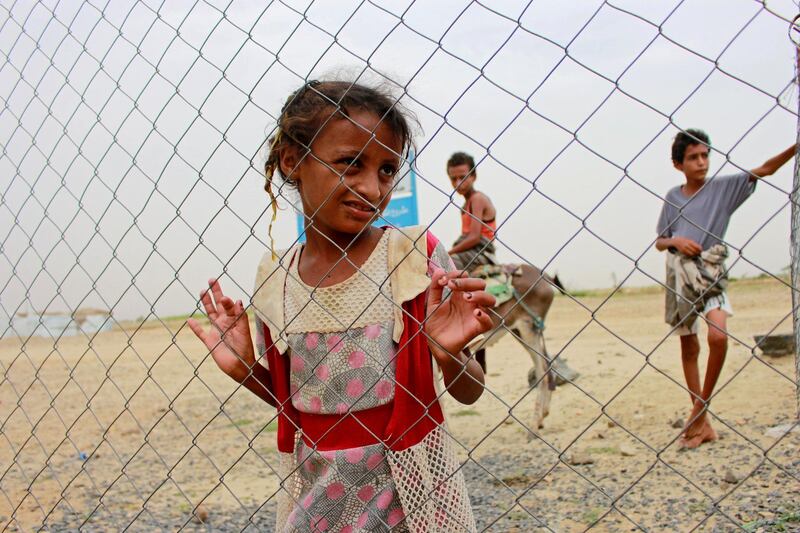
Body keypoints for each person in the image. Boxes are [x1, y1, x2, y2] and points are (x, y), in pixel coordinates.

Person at [187, 80, 495, 532]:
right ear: (293, 161)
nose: (372, 187)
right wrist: (245, 371)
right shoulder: (275, 279)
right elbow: (297, 404)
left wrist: (450, 357)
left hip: (414, 500)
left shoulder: (413, 260)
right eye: (351, 164)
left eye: (388, 170)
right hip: (319, 504)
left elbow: (469, 390)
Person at [655, 128, 796, 449]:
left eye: (705, 155)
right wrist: (676, 240)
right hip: (680, 276)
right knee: (689, 347)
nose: (701, 162)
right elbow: (660, 240)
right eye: (693, 157)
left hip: (711, 272)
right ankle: (702, 423)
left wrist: (795, 146)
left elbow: (766, 169)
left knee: (718, 337)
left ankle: (698, 410)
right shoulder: (672, 197)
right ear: (679, 164)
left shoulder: (723, 189)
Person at [447, 152, 498, 272]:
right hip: (469, 252)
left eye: (463, 177)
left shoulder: (477, 199)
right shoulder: (465, 206)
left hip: (481, 252)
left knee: (447, 264)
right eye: (454, 179)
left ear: (473, 176)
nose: (458, 183)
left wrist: (448, 253)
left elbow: (474, 237)